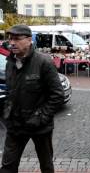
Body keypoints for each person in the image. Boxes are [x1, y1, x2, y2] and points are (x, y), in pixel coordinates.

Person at [0, 25, 64, 173]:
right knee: (7, 167)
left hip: (40, 126)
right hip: (15, 125)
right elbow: (11, 92)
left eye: (17, 39)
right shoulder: (10, 62)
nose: (12, 43)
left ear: (29, 40)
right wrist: (7, 112)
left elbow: (57, 95)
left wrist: (40, 117)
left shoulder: (44, 62)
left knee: (46, 166)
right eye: (10, 39)